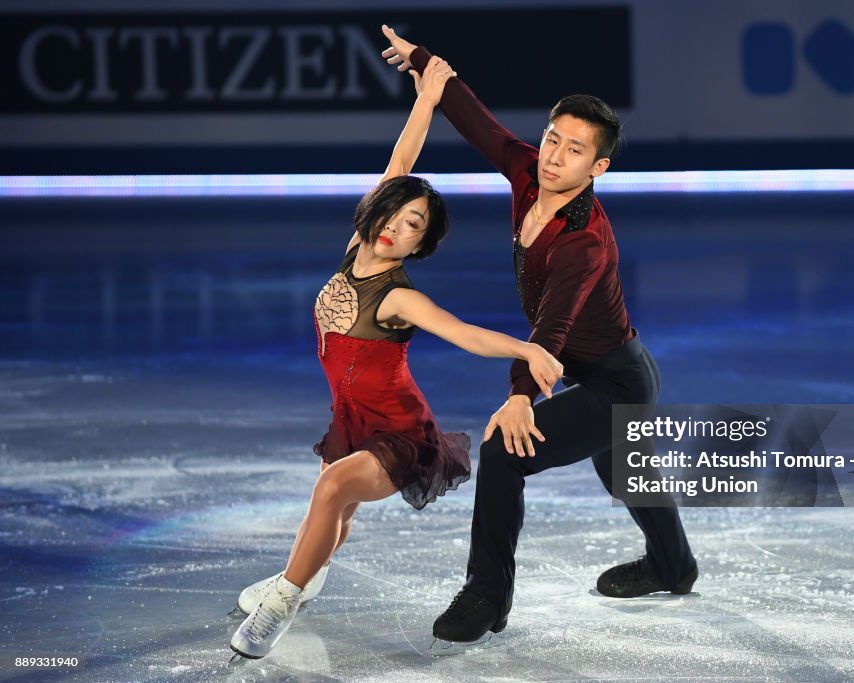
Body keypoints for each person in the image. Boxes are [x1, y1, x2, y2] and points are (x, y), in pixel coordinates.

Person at [229, 55, 563, 660]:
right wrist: (427, 99)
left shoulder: (400, 296)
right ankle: (307, 576)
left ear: (422, 242)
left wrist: (526, 346)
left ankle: (282, 600)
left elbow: (462, 332)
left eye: (413, 225)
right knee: (338, 510)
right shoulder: (356, 244)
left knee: (333, 487)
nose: (394, 227)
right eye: (393, 213)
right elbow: (401, 165)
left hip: (400, 434)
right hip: (351, 418)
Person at [380, 25, 699, 650]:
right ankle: (674, 565)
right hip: (602, 368)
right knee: (622, 470)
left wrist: (521, 395)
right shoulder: (528, 172)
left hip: (617, 379)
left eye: (574, 150)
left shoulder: (585, 241)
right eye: (553, 139)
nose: (554, 156)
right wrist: (428, 66)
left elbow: (550, 330)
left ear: (597, 167)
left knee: (505, 451)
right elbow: (483, 127)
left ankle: (486, 594)